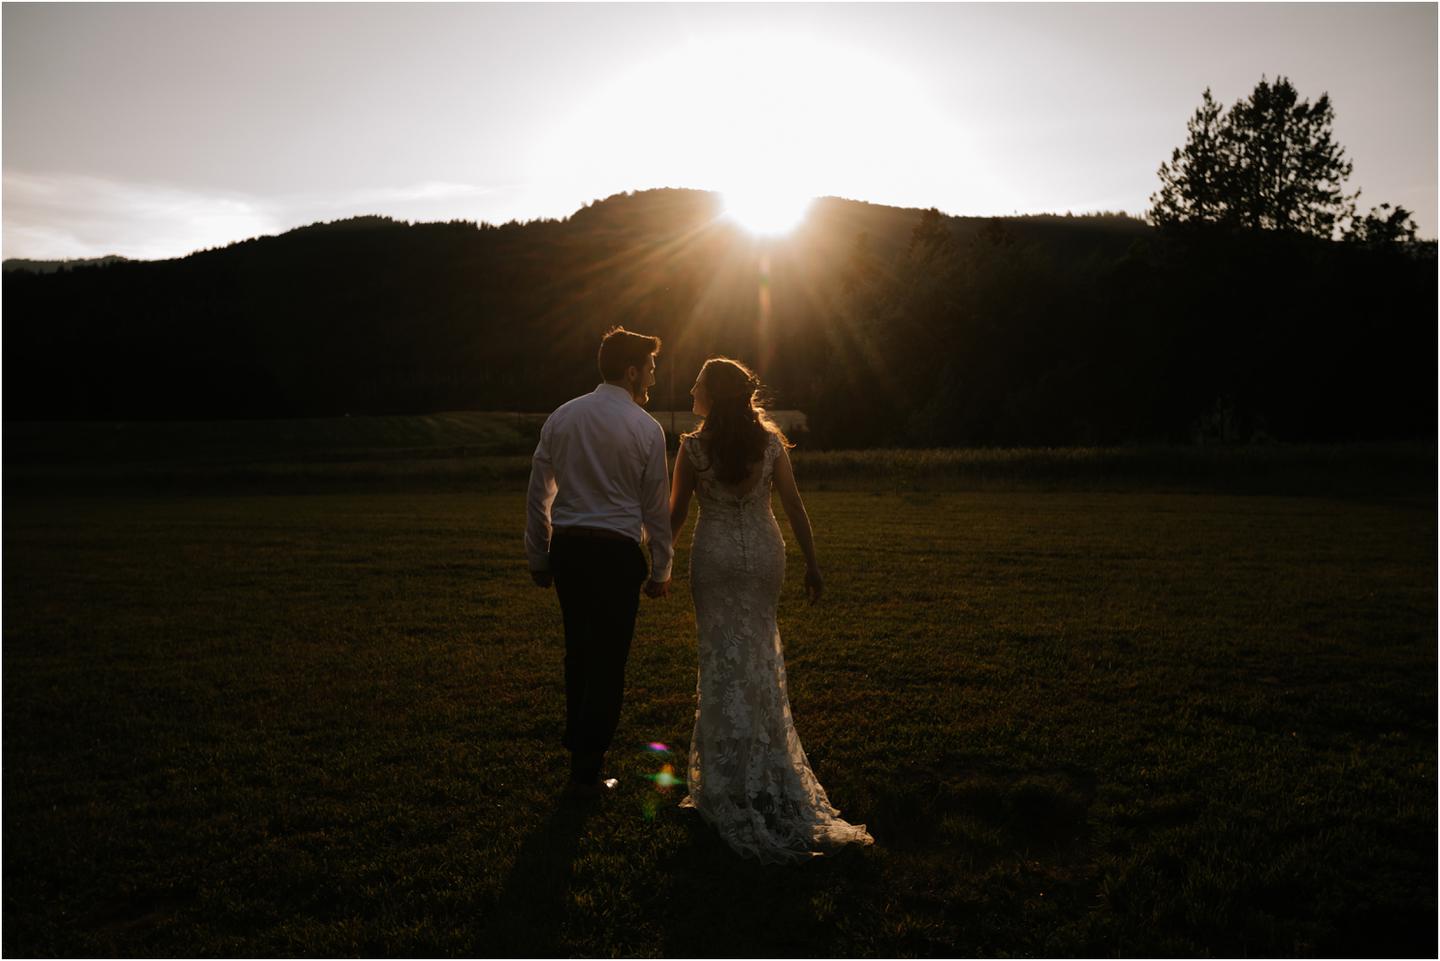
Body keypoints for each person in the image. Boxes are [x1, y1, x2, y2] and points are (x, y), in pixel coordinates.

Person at [668, 357, 873, 862]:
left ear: (713, 394)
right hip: (764, 554)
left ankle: (724, 780)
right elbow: (794, 506)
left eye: (698, 383)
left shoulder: (692, 448)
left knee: (720, 660)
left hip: (714, 557)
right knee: (759, 654)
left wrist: (658, 565)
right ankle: (763, 765)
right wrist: (812, 565)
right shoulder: (771, 443)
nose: (692, 389)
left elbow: (675, 515)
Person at [526, 326, 673, 800]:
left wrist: (539, 555)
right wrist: (662, 568)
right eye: (650, 368)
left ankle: (581, 760)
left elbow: (539, 495)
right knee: (608, 660)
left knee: (579, 653)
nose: (653, 377)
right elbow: (656, 508)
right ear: (631, 371)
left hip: (569, 551)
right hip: (615, 555)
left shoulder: (563, 416)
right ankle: (587, 769)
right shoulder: (646, 428)